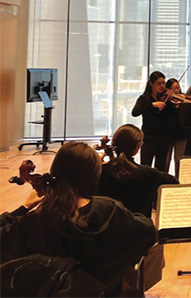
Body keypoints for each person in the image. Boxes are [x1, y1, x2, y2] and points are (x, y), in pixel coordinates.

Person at [1, 142, 157, 295]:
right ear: (93, 177)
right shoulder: (109, 211)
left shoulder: (35, 220)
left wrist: (24, 207)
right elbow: (148, 233)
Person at [98, 124, 179, 216]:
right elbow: (174, 181)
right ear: (137, 147)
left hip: (108, 224)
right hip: (139, 224)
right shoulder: (148, 173)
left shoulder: (101, 171)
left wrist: (97, 165)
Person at [132, 71, 174, 171]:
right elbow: (135, 112)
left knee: (161, 168)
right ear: (151, 84)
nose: (162, 86)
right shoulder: (144, 98)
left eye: (163, 83)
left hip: (163, 138)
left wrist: (171, 103)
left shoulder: (167, 99)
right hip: (148, 138)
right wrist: (152, 105)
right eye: (159, 83)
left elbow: (173, 115)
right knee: (145, 167)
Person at [164, 77, 189, 177]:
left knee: (179, 160)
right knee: (166, 160)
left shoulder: (183, 100)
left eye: (177, 88)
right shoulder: (166, 101)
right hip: (168, 134)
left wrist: (184, 102)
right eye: (173, 88)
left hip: (181, 134)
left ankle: (178, 180)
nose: (176, 91)